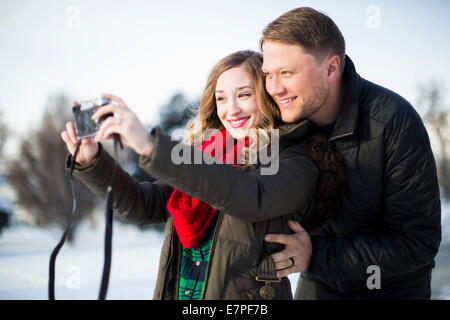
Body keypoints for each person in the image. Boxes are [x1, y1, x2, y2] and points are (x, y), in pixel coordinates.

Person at [61, 50, 345, 300]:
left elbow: (250, 198)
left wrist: (150, 145)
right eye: (221, 98)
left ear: (267, 96)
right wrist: (92, 160)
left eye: (244, 95)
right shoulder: (205, 156)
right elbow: (140, 203)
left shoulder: (293, 158)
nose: (231, 109)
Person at [261, 7, 441, 299]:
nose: (274, 88)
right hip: (317, 284)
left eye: (286, 73)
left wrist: (314, 255)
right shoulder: (279, 123)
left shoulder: (393, 121)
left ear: (331, 68)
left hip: (391, 289)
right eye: (268, 74)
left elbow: (417, 242)